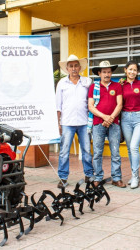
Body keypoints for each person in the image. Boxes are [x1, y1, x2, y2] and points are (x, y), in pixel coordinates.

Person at [55, 54, 94, 188]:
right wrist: (58, 123)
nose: (73, 68)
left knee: (87, 150)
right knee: (64, 151)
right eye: (71, 66)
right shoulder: (61, 83)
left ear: (79, 67)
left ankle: (89, 175)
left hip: (84, 123)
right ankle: (63, 178)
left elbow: (92, 101)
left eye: (76, 65)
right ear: (67, 68)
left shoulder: (87, 82)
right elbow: (58, 105)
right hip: (67, 122)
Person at [88, 60, 126, 188]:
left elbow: (119, 104)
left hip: (114, 123)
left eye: (109, 72)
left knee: (115, 152)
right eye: (104, 72)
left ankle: (116, 178)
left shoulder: (117, 86)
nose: (107, 74)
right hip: (98, 123)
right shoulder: (94, 87)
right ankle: (98, 177)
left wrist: (111, 118)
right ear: (99, 73)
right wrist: (104, 117)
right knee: (98, 152)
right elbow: (91, 106)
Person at [120, 61, 140, 189]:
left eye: (135, 70)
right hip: (125, 117)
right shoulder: (120, 85)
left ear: (137, 72)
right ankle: (133, 174)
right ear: (126, 70)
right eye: (130, 69)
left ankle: (136, 176)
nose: (132, 72)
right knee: (130, 148)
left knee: (134, 147)